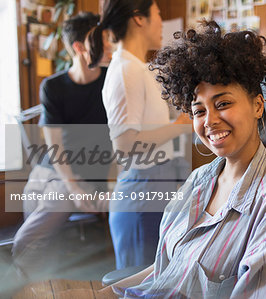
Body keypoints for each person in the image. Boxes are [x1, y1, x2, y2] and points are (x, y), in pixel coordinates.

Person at [101, 20, 266, 298]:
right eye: (199, 111)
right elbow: (167, 273)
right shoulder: (197, 182)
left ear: (257, 106)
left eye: (223, 104)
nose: (210, 121)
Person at [88, 0, 192, 270]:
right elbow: (125, 145)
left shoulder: (137, 68)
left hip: (154, 188)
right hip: (142, 196)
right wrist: (180, 124)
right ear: (139, 18)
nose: (161, 22)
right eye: (157, 14)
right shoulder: (126, 71)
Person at [12, 12, 112, 276]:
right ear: (79, 48)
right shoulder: (53, 87)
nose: (110, 45)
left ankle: (21, 283)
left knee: (28, 239)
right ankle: (42, 284)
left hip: (84, 177)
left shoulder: (112, 80)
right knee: (35, 212)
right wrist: (72, 186)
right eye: (102, 40)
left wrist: (79, 188)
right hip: (51, 171)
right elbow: (54, 146)